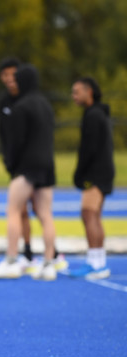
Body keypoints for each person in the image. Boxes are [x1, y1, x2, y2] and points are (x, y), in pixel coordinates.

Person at [0, 57, 66, 278]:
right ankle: (49, 264)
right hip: (47, 165)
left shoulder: (21, 107)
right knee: (45, 215)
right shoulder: (45, 105)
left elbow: (15, 143)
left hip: (27, 167)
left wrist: (12, 165)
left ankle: (12, 260)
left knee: (13, 210)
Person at [68, 77, 115, 279]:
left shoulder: (94, 115)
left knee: (89, 215)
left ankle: (97, 264)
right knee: (93, 216)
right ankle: (98, 261)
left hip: (96, 173)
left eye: (77, 91)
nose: (74, 96)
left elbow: (89, 148)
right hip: (102, 171)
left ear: (89, 92)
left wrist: (80, 173)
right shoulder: (97, 114)